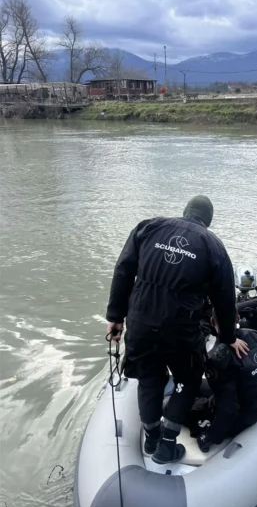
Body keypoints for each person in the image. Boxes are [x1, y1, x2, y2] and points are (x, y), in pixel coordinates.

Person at [105, 195, 249, 464]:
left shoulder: (148, 227)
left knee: (149, 380)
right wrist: (228, 337)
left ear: (185, 211)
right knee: (188, 380)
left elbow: (123, 270)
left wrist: (115, 317)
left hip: (140, 324)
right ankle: (167, 445)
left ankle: (151, 438)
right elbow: (225, 300)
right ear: (208, 220)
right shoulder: (213, 245)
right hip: (180, 331)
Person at [195, 308, 257, 452]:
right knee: (200, 387)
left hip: (244, 413)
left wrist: (211, 437)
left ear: (212, 322)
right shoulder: (255, 335)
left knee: (179, 406)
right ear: (237, 319)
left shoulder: (218, 359)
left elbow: (229, 409)